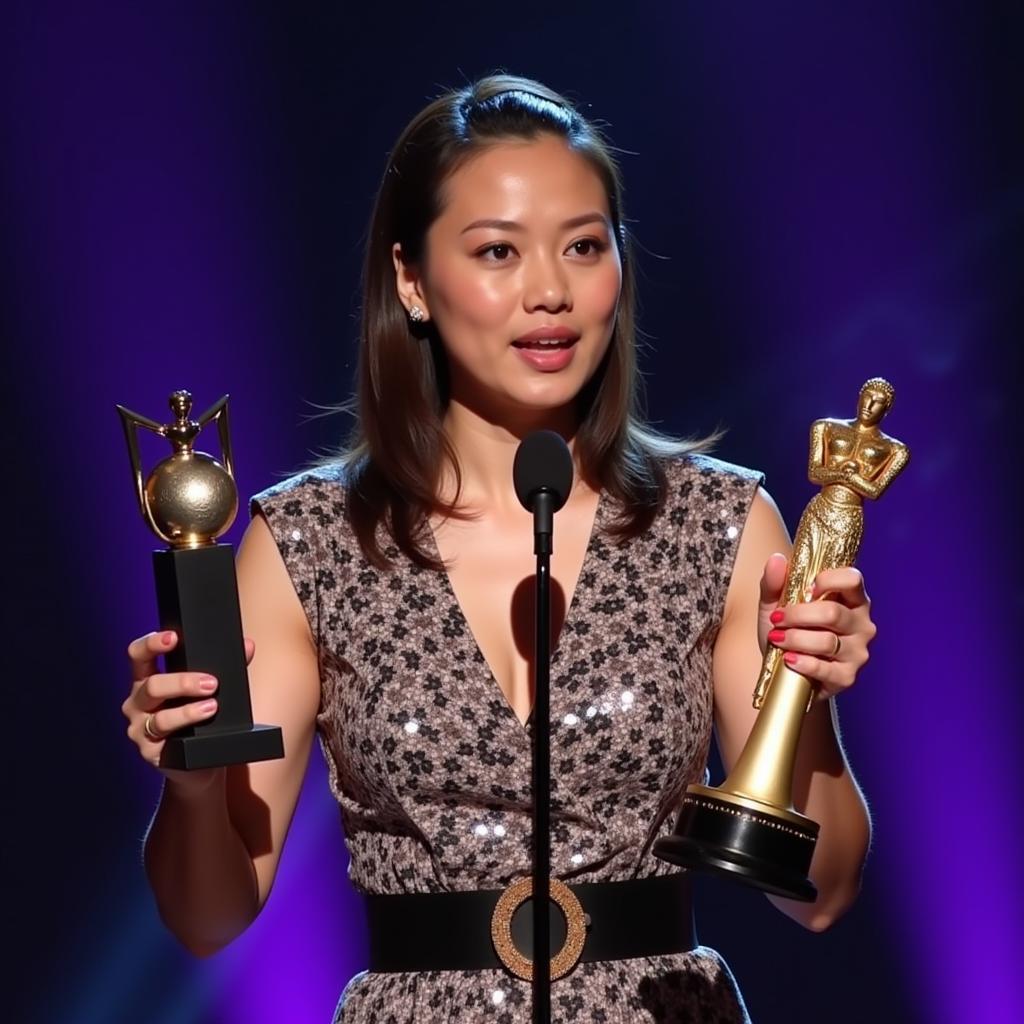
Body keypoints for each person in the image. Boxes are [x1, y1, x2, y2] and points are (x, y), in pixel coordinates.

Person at [122, 74, 876, 1023]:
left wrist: (806, 698)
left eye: (584, 246)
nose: (551, 291)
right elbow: (206, 918)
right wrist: (191, 790)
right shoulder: (309, 541)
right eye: (497, 252)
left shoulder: (718, 525)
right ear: (411, 282)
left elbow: (825, 894)